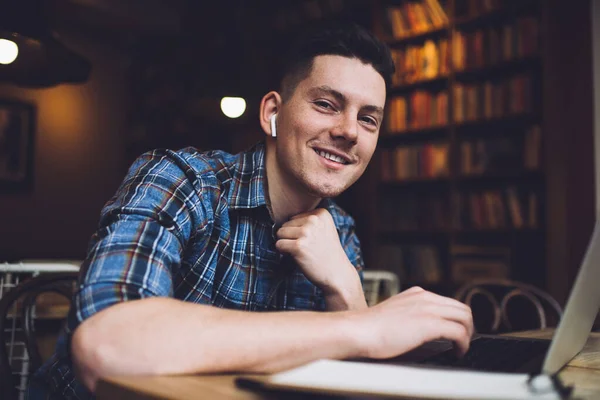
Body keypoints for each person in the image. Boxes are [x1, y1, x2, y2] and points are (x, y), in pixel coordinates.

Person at [28, 20, 473, 399]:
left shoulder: (339, 230)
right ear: (272, 114)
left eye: (368, 119)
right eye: (326, 104)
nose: (349, 132)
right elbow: (108, 342)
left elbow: (351, 382)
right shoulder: (181, 180)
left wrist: (345, 289)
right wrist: (369, 327)